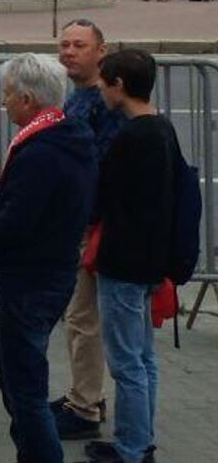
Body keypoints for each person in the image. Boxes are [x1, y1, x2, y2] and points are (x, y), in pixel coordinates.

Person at [0, 54, 96, 463]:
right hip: (50, 272)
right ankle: (31, 443)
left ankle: (40, 451)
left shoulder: (41, 152)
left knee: (26, 388)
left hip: (31, 278)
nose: (3, 103)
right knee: (6, 361)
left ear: (26, 99)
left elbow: (17, 220)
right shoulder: (67, 136)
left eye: (7, 96)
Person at [87, 49, 183, 463]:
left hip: (124, 261)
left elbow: (104, 195)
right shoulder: (162, 129)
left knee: (126, 361)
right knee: (143, 358)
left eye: (104, 82)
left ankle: (132, 448)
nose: (102, 90)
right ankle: (138, 437)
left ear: (119, 85)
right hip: (151, 258)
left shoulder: (131, 137)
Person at [52, 18, 124, 441]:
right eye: (64, 45)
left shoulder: (102, 102)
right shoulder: (77, 96)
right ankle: (85, 395)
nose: (69, 52)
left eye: (79, 45)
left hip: (95, 225)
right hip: (81, 222)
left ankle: (85, 406)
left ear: (101, 50)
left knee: (84, 318)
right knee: (81, 317)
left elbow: (99, 164)